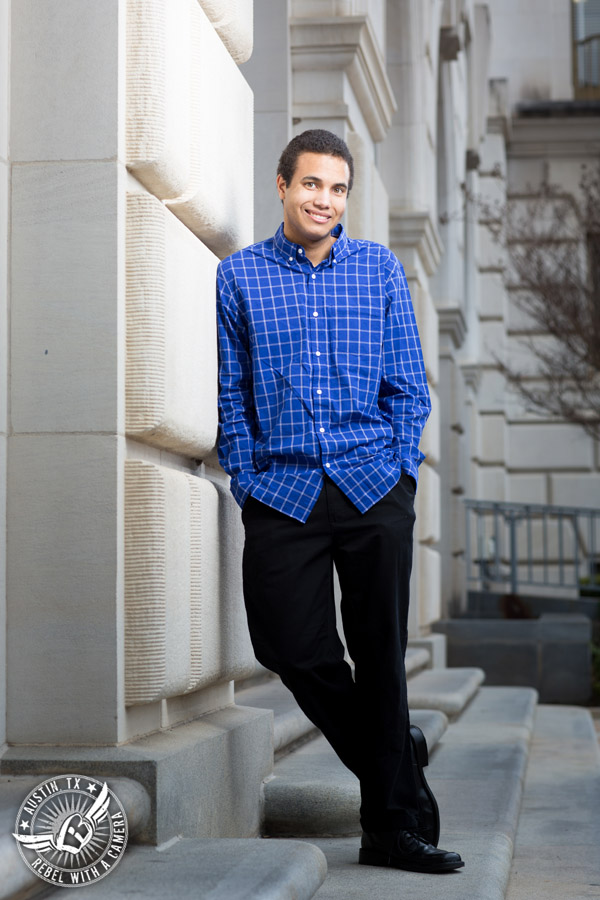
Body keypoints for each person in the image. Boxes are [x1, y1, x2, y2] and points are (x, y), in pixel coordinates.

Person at [216, 129, 463, 874]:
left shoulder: (379, 270)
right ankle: (393, 753)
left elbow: (408, 386)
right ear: (283, 186)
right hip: (283, 494)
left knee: (382, 654)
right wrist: (247, 477)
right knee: (288, 647)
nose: (325, 199)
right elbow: (232, 393)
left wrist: (399, 471)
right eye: (312, 184)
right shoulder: (240, 277)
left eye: (338, 188)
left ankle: (391, 828)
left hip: (371, 486)